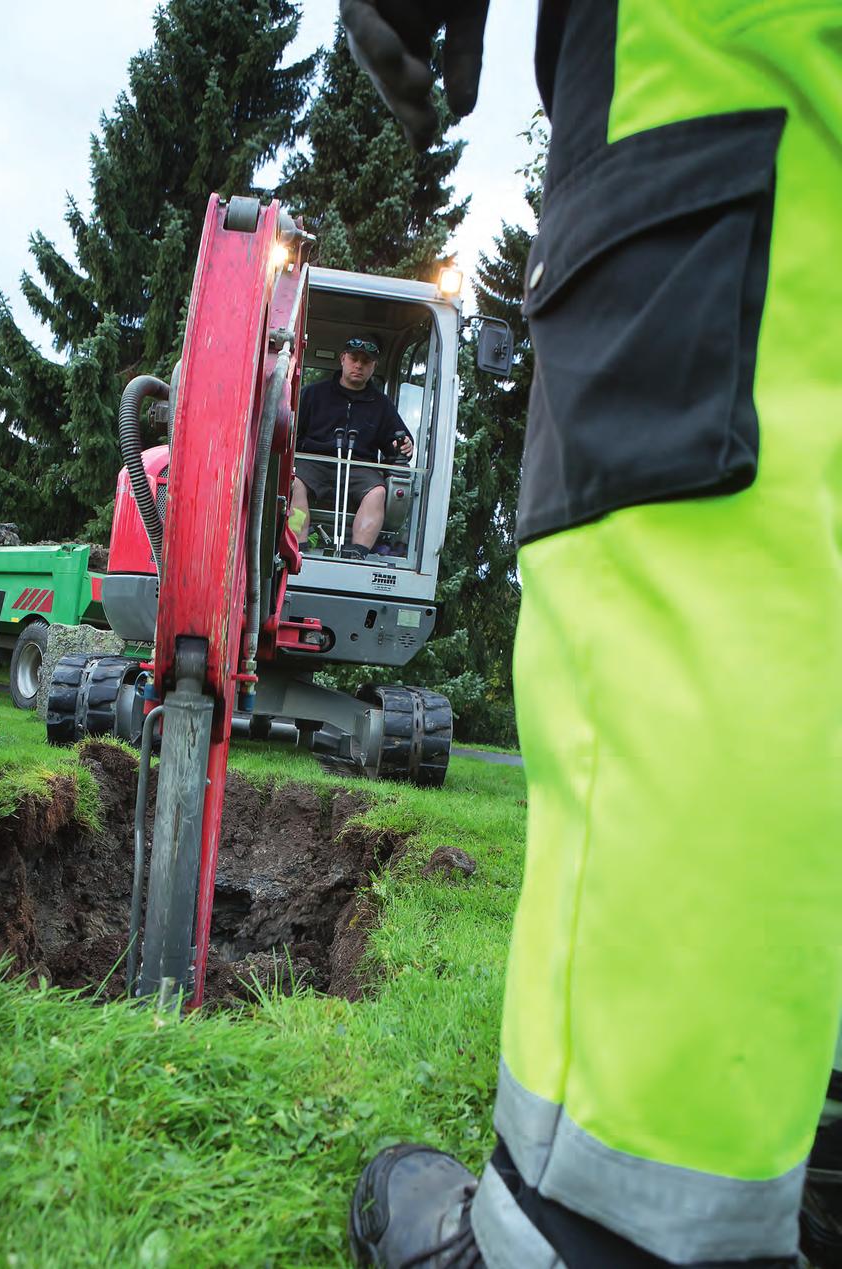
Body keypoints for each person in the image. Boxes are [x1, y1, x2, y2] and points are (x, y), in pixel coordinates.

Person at [340, 2, 842, 1268]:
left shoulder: (382, 420)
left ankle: (603, 1231)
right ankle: (810, 1134)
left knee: (699, 543)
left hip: (725, 42)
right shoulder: (327, 398)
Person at [291, 334, 414, 557]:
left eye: (365, 362)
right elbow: (290, 428)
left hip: (359, 468)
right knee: (294, 482)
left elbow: (397, 441)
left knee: (377, 492)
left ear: (373, 366)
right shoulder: (313, 394)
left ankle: (356, 553)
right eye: (354, 358)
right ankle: (298, 546)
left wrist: (405, 444)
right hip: (314, 463)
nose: (358, 365)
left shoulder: (381, 405)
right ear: (343, 359)